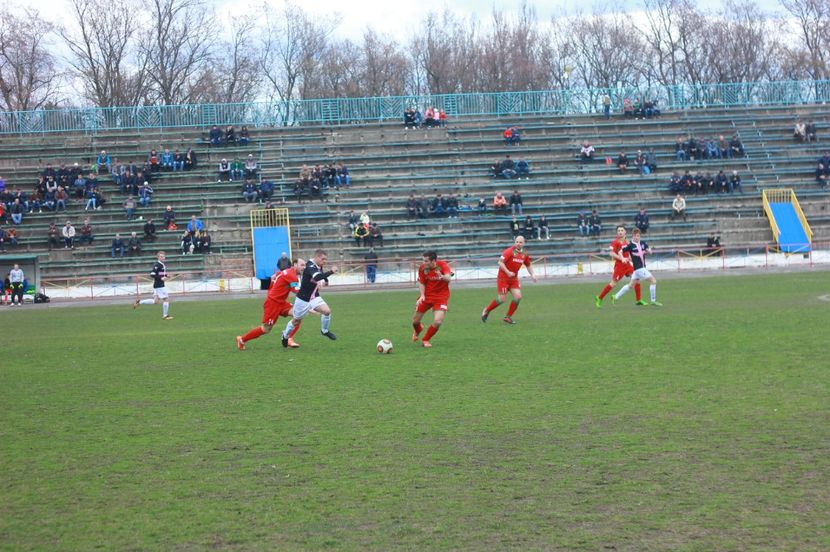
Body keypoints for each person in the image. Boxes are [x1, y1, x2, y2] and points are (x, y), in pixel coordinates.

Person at [237, 258, 307, 350]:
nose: (304, 267)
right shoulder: (292, 276)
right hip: (272, 303)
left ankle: (288, 338)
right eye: (302, 265)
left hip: (281, 302)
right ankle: (242, 339)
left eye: (305, 265)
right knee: (266, 329)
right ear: (295, 265)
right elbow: (298, 292)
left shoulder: (287, 272)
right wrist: (311, 302)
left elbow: (275, 276)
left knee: (298, 315)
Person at [280, 249, 338, 347]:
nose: (324, 261)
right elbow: (316, 277)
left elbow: (320, 272)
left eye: (325, 259)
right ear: (316, 257)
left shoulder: (318, 265)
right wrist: (331, 271)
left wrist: (326, 280)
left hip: (314, 297)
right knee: (296, 321)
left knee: (327, 311)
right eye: (323, 259)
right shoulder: (310, 266)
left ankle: (324, 331)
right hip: (303, 299)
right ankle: (285, 335)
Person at [480, 235, 537, 324]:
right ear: (514, 242)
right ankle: (486, 310)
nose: (518, 244)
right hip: (503, 278)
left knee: (518, 297)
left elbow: (528, 265)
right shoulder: (509, 251)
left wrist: (532, 274)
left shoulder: (524, 254)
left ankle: (508, 317)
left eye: (520, 242)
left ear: (524, 243)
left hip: (513, 280)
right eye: (517, 242)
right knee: (501, 299)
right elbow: (500, 262)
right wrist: (508, 272)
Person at [411, 251, 454, 348]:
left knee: (438, 321)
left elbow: (448, 278)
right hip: (427, 296)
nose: (424, 263)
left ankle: (425, 339)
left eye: (426, 261)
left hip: (441, 297)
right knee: (415, 321)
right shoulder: (422, 268)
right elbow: (421, 282)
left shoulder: (443, 265)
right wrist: (422, 295)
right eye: (423, 260)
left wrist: (441, 276)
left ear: (433, 261)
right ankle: (418, 329)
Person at [594, 226, 643, 308]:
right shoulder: (615, 242)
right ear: (617, 233)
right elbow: (611, 253)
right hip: (619, 266)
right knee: (613, 284)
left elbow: (629, 253)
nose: (620, 232)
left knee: (637, 279)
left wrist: (632, 259)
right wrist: (622, 258)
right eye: (618, 230)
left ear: (625, 232)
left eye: (622, 230)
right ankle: (599, 298)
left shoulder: (628, 242)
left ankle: (638, 300)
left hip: (627, 265)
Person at [614, 228, 661, 306]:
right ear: (632, 236)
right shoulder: (630, 245)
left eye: (638, 236)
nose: (636, 237)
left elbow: (648, 249)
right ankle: (653, 301)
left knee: (630, 286)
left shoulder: (643, 243)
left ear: (640, 236)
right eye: (635, 236)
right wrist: (622, 258)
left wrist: (649, 251)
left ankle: (615, 296)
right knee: (653, 281)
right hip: (639, 269)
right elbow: (619, 252)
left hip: (638, 270)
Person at [133, 251, 174, 319]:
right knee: (166, 299)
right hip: (159, 285)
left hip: (158, 285)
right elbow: (152, 274)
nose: (162, 257)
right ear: (158, 257)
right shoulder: (157, 264)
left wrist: (166, 275)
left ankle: (139, 302)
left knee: (155, 301)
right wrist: (161, 278)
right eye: (161, 256)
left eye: (163, 256)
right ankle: (165, 316)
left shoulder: (162, 264)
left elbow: (159, 273)